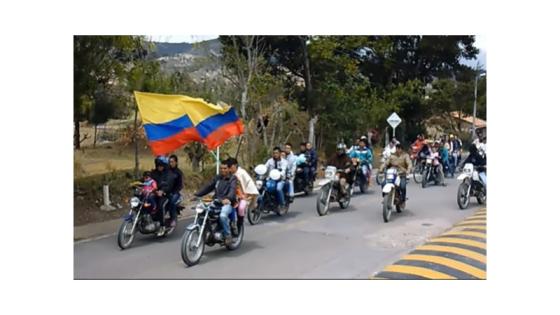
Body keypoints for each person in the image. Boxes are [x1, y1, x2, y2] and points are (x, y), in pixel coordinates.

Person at [193, 159, 238, 246]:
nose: (223, 170)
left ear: (229, 169)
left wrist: (228, 198)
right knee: (202, 212)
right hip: (216, 201)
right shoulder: (217, 178)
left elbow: (232, 190)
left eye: (225, 168)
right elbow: (208, 186)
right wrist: (197, 194)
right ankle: (205, 232)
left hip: (227, 203)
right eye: (221, 168)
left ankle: (228, 235)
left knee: (223, 215)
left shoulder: (233, 178)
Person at [151, 157, 178, 236]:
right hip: (154, 193)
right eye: (158, 165)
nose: (159, 167)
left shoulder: (169, 174)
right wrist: (138, 184)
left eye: (161, 165)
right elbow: (147, 179)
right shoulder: (153, 173)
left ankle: (162, 226)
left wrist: (163, 191)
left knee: (160, 206)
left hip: (165, 195)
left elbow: (168, 185)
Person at [228, 157, 259, 223]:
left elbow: (249, 184)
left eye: (231, 167)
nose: (230, 169)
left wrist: (246, 194)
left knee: (241, 208)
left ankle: (240, 222)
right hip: (231, 195)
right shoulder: (228, 174)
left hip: (243, 194)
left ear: (235, 165)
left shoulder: (242, 173)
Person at [167, 155, 184, 228]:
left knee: (172, 201)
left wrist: (174, 192)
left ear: (176, 162)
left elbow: (180, 185)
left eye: (172, 162)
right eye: (170, 162)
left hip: (175, 192)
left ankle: (173, 218)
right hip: (165, 191)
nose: (171, 163)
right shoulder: (166, 171)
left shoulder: (178, 173)